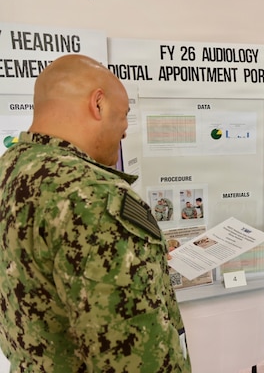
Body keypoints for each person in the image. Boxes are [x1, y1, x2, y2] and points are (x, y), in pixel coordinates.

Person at [0, 54, 192, 372]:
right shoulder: (95, 197)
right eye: (124, 115)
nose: (126, 130)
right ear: (98, 104)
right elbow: (135, 358)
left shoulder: (9, 169)